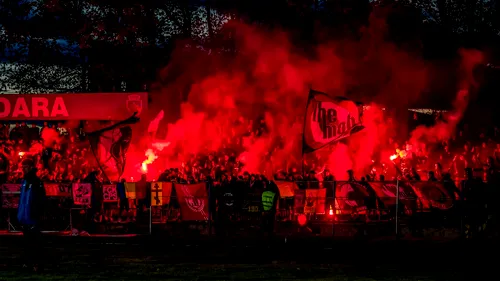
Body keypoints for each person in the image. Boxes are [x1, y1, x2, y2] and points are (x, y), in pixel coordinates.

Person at [17, 157, 46, 272]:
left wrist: (39, 214)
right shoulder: (25, 181)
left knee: (34, 241)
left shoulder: (35, 181)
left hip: (32, 217)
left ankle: (36, 264)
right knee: (27, 242)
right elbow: (23, 200)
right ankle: (29, 263)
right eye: (22, 167)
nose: (23, 169)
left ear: (30, 167)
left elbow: (40, 199)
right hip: (25, 217)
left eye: (24, 167)